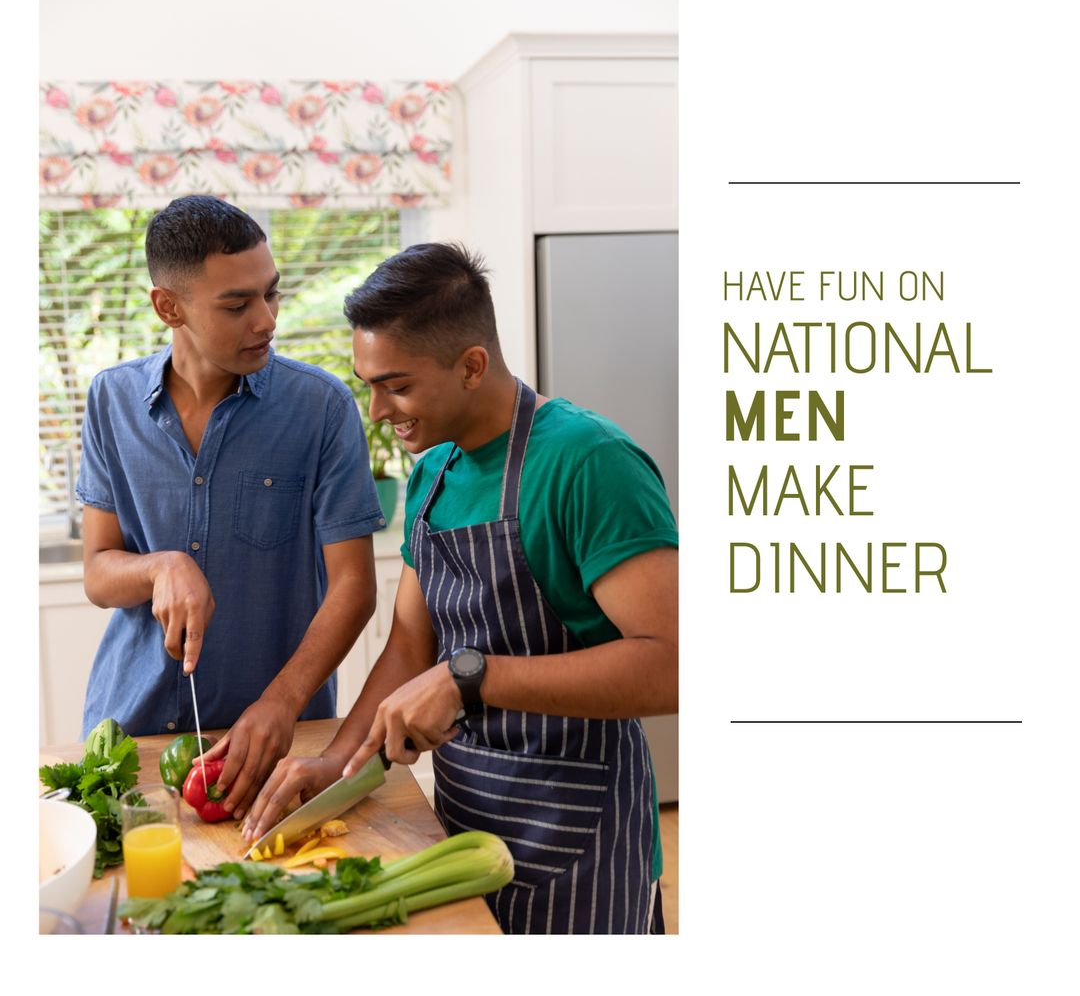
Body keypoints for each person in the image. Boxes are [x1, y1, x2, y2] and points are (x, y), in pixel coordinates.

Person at [242, 242, 679, 934]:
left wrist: (470, 678)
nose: (377, 411)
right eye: (368, 385)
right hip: (466, 815)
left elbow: (675, 665)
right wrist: (337, 763)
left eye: (397, 386)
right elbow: (410, 643)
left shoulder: (588, 462)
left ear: (472, 365)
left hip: (580, 833)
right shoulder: (433, 472)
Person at [76, 194, 385, 821]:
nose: (266, 320)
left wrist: (282, 702)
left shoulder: (322, 408)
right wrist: (161, 566)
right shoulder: (111, 400)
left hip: (273, 744)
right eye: (237, 305)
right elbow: (98, 573)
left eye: (271, 294)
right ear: (169, 306)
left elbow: (354, 587)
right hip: (129, 739)